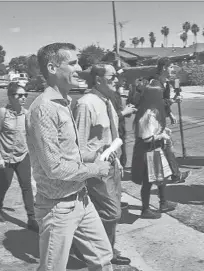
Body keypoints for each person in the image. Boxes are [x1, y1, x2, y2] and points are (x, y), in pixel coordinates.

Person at [25, 42, 114, 271]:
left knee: (103, 258)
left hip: (81, 199)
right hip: (58, 208)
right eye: (72, 63)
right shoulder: (44, 108)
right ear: (53, 68)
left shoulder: (64, 103)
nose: (79, 68)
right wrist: (97, 170)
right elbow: (54, 167)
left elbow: (68, 153)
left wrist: (92, 154)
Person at [73, 64, 133, 266]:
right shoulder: (86, 104)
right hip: (97, 169)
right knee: (112, 212)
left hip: (112, 165)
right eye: (113, 76)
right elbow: (78, 146)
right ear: (98, 79)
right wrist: (95, 160)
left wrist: (117, 160)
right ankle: (93, 249)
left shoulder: (107, 101)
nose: (117, 80)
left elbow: (112, 135)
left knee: (109, 213)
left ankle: (107, 251)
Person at [130, 80, 186, 219]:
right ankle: (145, 210)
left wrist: (162, 130)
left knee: (160, 178)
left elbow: (152, 130)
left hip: (153, 150)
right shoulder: (148, 114)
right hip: (148, 152)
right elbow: (147, 138)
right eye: (160, 96)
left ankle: (163, 203)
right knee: (148, 182)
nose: (162, 99)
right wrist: (162, 135)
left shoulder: (152, 111)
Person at [0, 82, 38, 232]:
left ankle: (32, 218)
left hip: (22, 155)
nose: (23, 98)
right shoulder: (2, 113)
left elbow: (32, 135)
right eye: (19, 95)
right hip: (4, 156)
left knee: (27, 186)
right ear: (11, 97)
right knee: (5, 184)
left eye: (25, 95)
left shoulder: (27, 114)